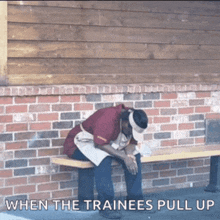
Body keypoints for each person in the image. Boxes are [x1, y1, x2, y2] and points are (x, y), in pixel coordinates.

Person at [63, 104, 148, 219]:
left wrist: (129, 155)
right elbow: (100, 144)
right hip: (79, 143)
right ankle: (106, 207)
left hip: (105, 143)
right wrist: (124, 157)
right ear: (125, 123)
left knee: (135, 157)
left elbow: (132, 143)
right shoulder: (108, 117)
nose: (132, 135)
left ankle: (135, 201)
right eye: (131, 131)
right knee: (103, 160)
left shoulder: (133, 118)